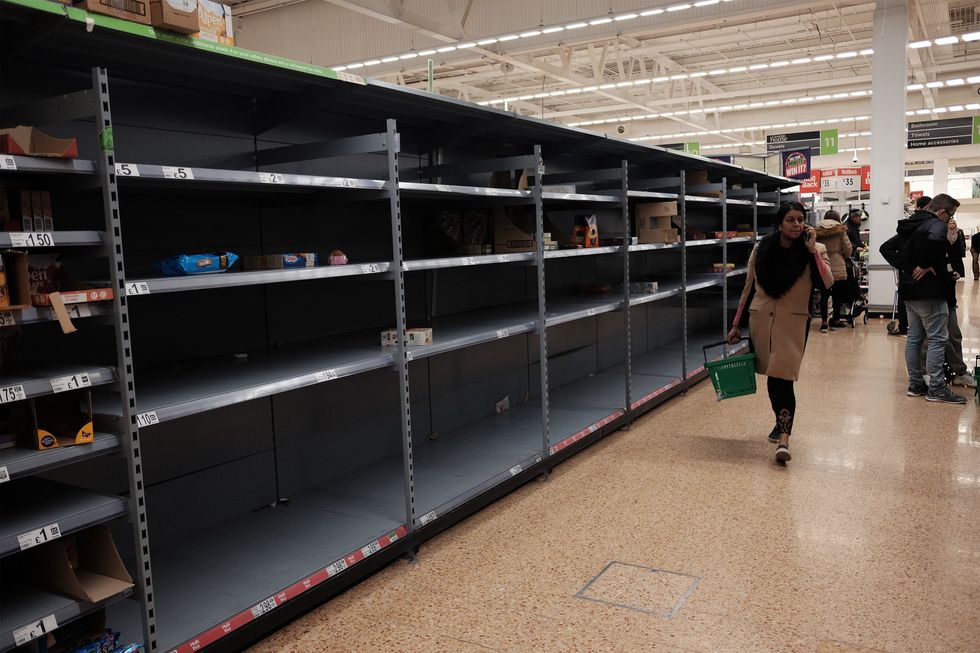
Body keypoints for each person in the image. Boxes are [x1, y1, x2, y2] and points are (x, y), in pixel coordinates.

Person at [728, 202, 834, 463]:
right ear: (779, 223)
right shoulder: (760, 249)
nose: (796, 224)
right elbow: (749, 287)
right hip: (761, 320)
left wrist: (812, 253)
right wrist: (736, 324)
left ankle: (784, 437)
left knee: (784, 378)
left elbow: (827, 282)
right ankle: (779, 422)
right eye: (790, 220)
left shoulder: (816, 250)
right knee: (772, 379)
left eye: (800, 219)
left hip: (793, 324)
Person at [879, 193, 965, 405]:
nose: (949, 220)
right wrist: (928, 265)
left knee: (915, 338)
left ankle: (915, 383)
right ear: (942, 212)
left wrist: (908, 267)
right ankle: (936, 388)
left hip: (909, 291)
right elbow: (936, 240)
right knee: (937, 339)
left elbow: (886, 248)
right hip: (930, 293)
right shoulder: (936, 225)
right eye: (950, 215)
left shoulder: (911, 224)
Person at [889, 195, 932, 337]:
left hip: (907, 275)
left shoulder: (905, 227)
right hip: (925, 276)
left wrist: (903, 264)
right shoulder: (931, 227)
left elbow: (885, 247)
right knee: (928, 329)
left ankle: (903, 327)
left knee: (912, 331)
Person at [814, 210, 852, 331]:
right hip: (837, 264)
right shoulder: (840, 230)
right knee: (837, 295)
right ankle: (836, 319)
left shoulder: (817, 230)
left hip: (822, 265)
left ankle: (824, 322)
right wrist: (841, 255)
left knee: (824, 295)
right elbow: (848, 249)